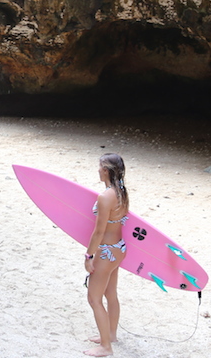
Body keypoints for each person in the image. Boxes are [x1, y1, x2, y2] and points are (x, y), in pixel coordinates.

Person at [82, 153, 129, 357]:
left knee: (94, 298)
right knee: (111, 294)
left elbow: (98, 232)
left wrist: (89, 256)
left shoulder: (104, 197)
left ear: (107, 170)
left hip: (106, 252)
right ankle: (110, 334)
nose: (98, 170)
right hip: (119, 248)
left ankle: (106, 347)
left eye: (100, 167)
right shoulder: (121, 193)